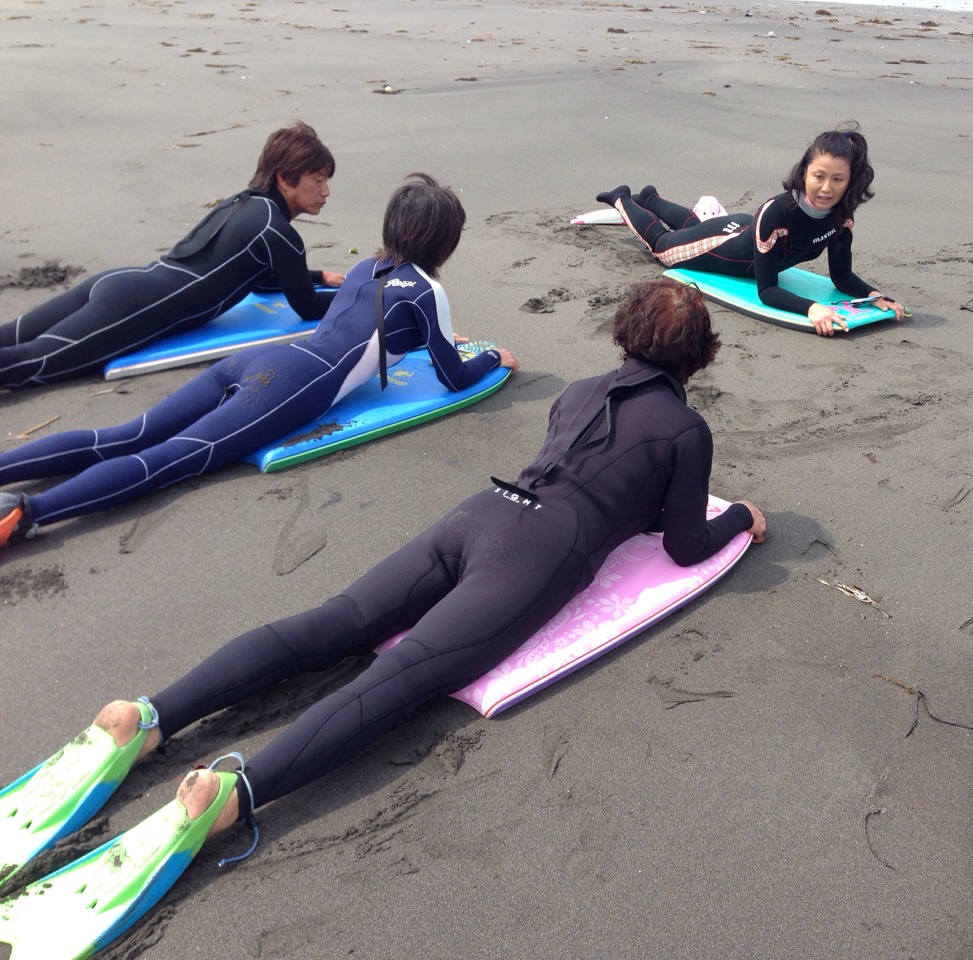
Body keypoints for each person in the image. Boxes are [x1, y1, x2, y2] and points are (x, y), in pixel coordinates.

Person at [0, 277, 765, 934]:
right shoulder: (685, 430)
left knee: (334, 622)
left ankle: (147, 717)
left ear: (625, 331)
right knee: (403, 675)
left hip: (482, 512)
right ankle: (233, 795)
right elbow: (684, 544)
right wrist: (742, 519)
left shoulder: (576, 391)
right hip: (540, 554)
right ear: (699, 356)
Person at [0, 173, 518, 549]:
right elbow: (453, 377)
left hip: (260, 359)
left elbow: (365, 325)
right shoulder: (427, 291)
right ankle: (29, 513)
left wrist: (430, 337)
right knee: (174, 457)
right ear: (443, 241)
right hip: (293, 384)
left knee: (129, 434)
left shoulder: (367, 266)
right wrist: (493, 357)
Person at [0, 121, 346, 389]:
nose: (326, 191)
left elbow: (260, 280)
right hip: (135, 309)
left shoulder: (240, 204)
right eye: (317, 180)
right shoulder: (278, 232)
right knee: (30, 364)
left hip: (121, 282)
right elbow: (308, 308)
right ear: (285, 179)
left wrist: (319, 277)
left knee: (12, 335)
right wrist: (359, 293)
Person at [595, 125, 907, 337]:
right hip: (724, 244)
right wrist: (812, 309)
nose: (826, 188)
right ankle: (622, 198)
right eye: (819, 176)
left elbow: (842, 276)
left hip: (745, 232)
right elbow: (767, 290)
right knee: (663, 246)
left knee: (693, 228)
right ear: (804, 172)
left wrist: (874, 296)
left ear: (850, 181)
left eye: (837, 179)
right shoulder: (778, 213)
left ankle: (651, 199)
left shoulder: (841, 218)